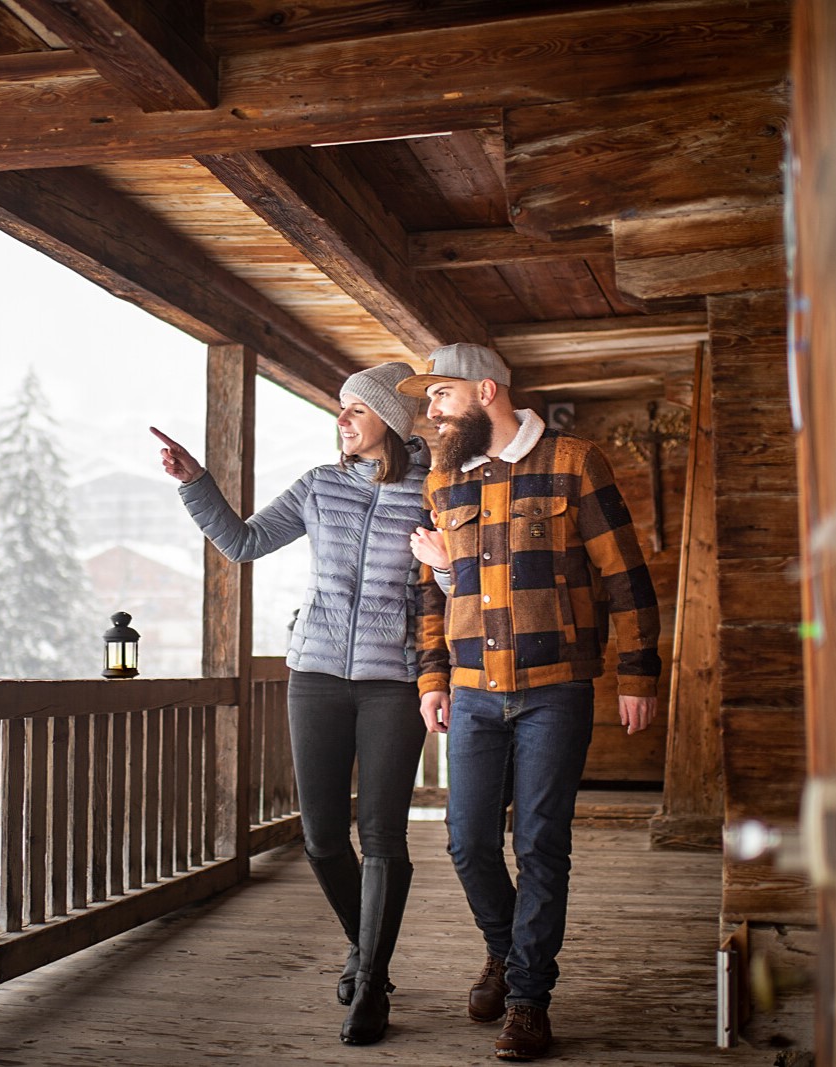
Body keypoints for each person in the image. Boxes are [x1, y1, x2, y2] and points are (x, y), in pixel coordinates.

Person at [150, 361, 443, 1046]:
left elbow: (452, 586)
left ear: (390, 424)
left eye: (355, 410)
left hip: (392, 682)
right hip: (314, 673)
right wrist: (196, 483)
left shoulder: (432, 494)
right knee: (318, 837)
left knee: (382, 837)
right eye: (339, 409)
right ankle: (367, 948)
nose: (341, 419)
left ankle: (370, 983)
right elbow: (242, 541)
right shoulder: (318, 487)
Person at [398, 343, 661, 1061]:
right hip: (473, 692)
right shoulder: (443, 480)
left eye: (441, 396)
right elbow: (428, 592)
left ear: (486, 391)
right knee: (465, 839)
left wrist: (639, 673)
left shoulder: (575, 461)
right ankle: (506, 950)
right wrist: (431, 680)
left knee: (540, 843)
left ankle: (526, 1000)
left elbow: (625, 575)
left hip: (556, 691)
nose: (432, 411)